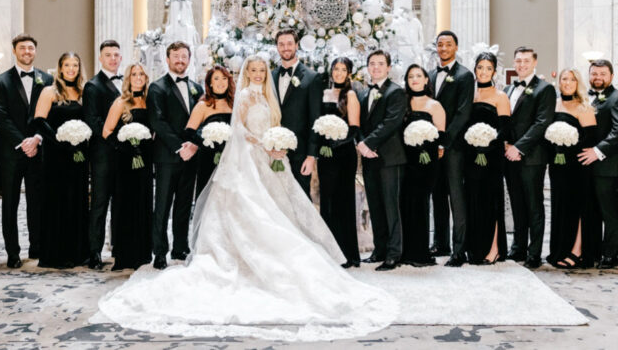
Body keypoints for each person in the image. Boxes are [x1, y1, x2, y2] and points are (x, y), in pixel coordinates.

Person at [95, 54, 397, 342]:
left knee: (279, 209)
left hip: (269, 159)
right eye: (252, 71)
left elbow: (273, 125)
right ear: (245, 74)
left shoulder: (268, 98)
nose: (257, 75)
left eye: (261, 72)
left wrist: (278, 145)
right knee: (249, 208)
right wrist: (264, 143)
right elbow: (239, 129)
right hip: (247, 160)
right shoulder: (243, 97)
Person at [0, 34, 51, 268]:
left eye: (31, 48)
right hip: (11, 153)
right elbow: (1, 116)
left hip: (38, 150)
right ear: (14, 51)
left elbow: (48, 114)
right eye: (22, 48)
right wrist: (23, 141)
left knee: (37, 201)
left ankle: (36, 246)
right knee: (10, 204)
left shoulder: (46, 79)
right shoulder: (1, 81)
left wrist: (36, 139)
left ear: (35, 51)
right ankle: (13, 252)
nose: (27, 51)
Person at [33, 52, 90, 269]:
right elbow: (39, 121)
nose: (71, 69)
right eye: (67, 65)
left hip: (78, 156)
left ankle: (78, 252)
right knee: (57, 201)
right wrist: (59, 140)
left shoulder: (84, 91)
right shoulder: (50, 91)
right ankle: (56, 254)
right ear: (60, 67)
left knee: (77, 199)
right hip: (56, 156)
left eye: (75, 65)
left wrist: (78, 141)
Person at [148, 41, 202, 269]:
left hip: (191, 157)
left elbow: (203, 120)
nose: (180, 60)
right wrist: (181, 147)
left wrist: (194, 145)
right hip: (168, 157)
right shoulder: (157, 87)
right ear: (168, 59)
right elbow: (157, 121)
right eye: (176, 56)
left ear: (189, 60)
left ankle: (181, 247)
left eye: (184, 56)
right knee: (162, 205)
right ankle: (160, 251)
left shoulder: (197, 89)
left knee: (183, 205)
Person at [577, 59, 618, 269]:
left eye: (602, 74)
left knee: (609, 212)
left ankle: (611, 253)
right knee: (590, 212)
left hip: (608, 165)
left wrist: (598, 151)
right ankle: (591, 251)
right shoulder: (583, 98)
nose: (598, 78)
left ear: (611, 76)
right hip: (585, 165)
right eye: (594, 74)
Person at [504, 46, 555, 269]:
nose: (521, 65)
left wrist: (519, 147)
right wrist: (506, 144)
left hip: (531, 156)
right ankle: (518, 248)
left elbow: (542, 122)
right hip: (508, 154)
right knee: (516, 204)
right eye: (518, 61)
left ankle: (534, 252)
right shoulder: (507, 89)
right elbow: (505, 121)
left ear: (534, 62)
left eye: (526, 61)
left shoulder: (544, 89)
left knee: (534, 205)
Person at [426, 31, 475, 266]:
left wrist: (445, 141)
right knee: (437, 196)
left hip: (454, 147)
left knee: (456, 197)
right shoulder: (431, 74)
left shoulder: (465, 75)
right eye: (440, 44)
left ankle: (459, 250)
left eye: (448, 44)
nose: (444, 48)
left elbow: (463, 112)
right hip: (433, 145)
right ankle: (441, 243)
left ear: (456, 47)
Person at [358, 49, 408, 271]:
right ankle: (379, 249)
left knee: (391, 206)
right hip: (369, 158)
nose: (376, 67)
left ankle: (394, 254)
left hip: (389, 157)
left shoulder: (396, 92)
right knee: (375, 206)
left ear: (388, 67)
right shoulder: (363, 93)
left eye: (380, 63)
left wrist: (368, 143)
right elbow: (358, 124)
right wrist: (360, 144)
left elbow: (391, 122)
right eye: (372, 63)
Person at [102, 63, 154, 271]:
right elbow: (107, 130)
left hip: (145, 161)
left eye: (142, 73)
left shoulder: (150, 101)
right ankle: (124, 254)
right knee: (125, 205)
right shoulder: (121, 102)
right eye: (134, 74)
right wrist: (125, 148)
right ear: (128, 78)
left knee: (144, 203)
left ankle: (142, 252)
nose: (138, 77)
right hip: (125, 163)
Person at [547, 69, 600, 269]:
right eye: (564, 79)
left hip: (577, 165)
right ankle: (560, 248)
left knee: (577, 206)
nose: (568, 83)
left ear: (578, 83)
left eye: (572, 79)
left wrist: (568, 143)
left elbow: (590, 138)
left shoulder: (584, 107)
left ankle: (577, 250)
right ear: (559, 82)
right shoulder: (554, 103)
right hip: (557, 164)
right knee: (560, 206)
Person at [464, 51, 510, 265]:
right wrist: (473, 144)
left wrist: (487, 145)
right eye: (480, 67)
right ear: (475, 70)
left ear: (494, 71)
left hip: (492, 157)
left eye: (488, 68)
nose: (483, 72)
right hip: (471, 155)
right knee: (473, 200)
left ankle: (494, 249)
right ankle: (474, 247)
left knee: (491, 200)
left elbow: (505, 130)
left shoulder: (500, 96)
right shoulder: (469, 95)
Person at [316, 56, 361, 268]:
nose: (339, 73)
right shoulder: (324, 93)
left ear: (349, 73)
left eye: (343, 69)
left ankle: (347, 253)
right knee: (327, 201)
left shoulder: (350, 94)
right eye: (336, 69)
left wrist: (334, 143)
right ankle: (329, 251)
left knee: (343, 201)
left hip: (343, 154)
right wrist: (321, 145)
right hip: (325, 156)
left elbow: (354, 129)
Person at [83, 39, 124, 270]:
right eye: (108, 55)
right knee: (99, 204)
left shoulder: (127, 84)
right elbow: (93, 121)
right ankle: (95, 252)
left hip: (123, 155)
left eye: (116, 55)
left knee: (120, 203)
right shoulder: (93, 86)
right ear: (100, 58)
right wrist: (118, 138)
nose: (113, 59)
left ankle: (118, 246)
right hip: (103, 154)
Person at [400, 64, 445, 267]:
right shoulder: (402, 102)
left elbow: (441, 138)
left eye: (419, 75)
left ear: (427, 80)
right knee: (405, 203)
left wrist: (428, 150)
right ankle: (405, 250)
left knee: (421, 203)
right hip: (405, 161)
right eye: (411, 76)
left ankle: (420, 252)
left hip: (426, 163)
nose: (415, 79)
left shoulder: (435, 105)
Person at [272, 29, 322, 195]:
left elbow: (315, 119)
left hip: (300, 153)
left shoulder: (311, 77)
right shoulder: (270, 77)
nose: (285, 48)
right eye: (281, 44)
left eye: (289, 43)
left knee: (300, 200)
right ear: (277, 47)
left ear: (296, 45)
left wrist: (311, 156)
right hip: (273, 150)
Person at [181, 64, 235, 197]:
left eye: (224, 78)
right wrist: (208, 141)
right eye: (216, 79)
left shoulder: (235, 104)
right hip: (208, 159)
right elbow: (189, 132)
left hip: (231, 158)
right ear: (210, 83)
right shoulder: (203, 105)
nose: (221, 82)